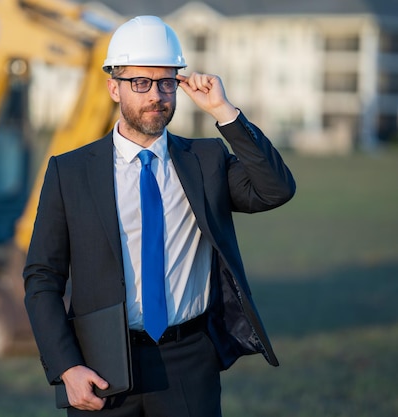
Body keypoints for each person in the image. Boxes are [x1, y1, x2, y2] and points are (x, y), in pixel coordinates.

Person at [23, 15, 296, 416]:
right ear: (113, 87)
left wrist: (224, 111)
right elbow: (42, 277)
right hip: (101, 366)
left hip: (189, 362)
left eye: (166, 81)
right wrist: (66, 366)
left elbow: (276, 189)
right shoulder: (70, 171)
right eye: (141, 82)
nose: (156, 94)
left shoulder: (205, 160)